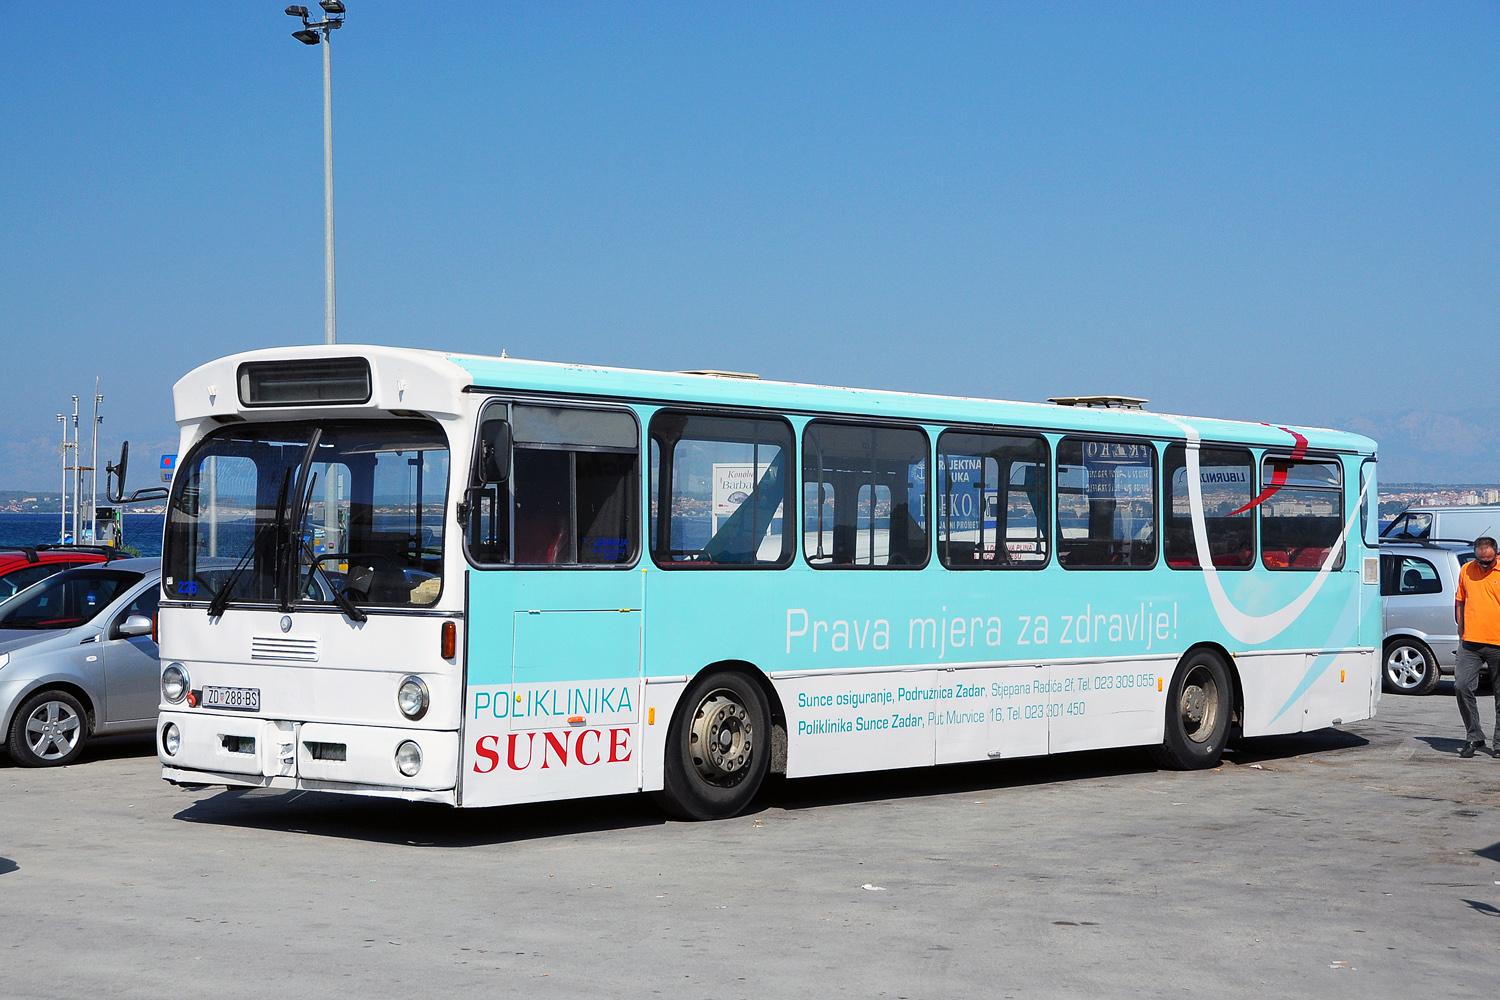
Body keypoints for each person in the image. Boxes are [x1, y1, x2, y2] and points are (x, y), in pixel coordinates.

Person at [1453, 535, 1500, 758]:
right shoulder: (1467, 570)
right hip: (1470, 642)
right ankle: (1474, 736)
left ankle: (1499, 743)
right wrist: (1461, 629)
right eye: (1481, 561)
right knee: (1461, 686)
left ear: (1496, 555)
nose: (1485, 565)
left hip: (1498, 643)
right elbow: (1460, 600)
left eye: (1489, 561)